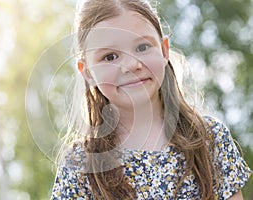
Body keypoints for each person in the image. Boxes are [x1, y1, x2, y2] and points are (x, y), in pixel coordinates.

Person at [50, 0, 252, 199]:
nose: (131, 64)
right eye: (110, 57)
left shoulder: (209, 138)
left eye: (142, 47)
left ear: (164, 50)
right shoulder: (80, 164)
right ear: (87, 73)